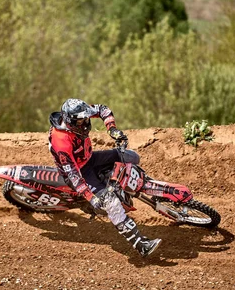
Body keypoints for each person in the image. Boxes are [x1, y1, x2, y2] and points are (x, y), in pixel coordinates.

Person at [48, 98, 161, 257]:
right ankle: (140, 244)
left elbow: (102, 109)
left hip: (89, 159)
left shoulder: (77, 115)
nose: (86, 122)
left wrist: (112, 129)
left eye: (86, 118)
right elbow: (73, 175)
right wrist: (90, 196)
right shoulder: (61, 141)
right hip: (78, 172)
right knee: (111, 202)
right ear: (71, 122)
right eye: (82, 121)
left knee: (131, 157)